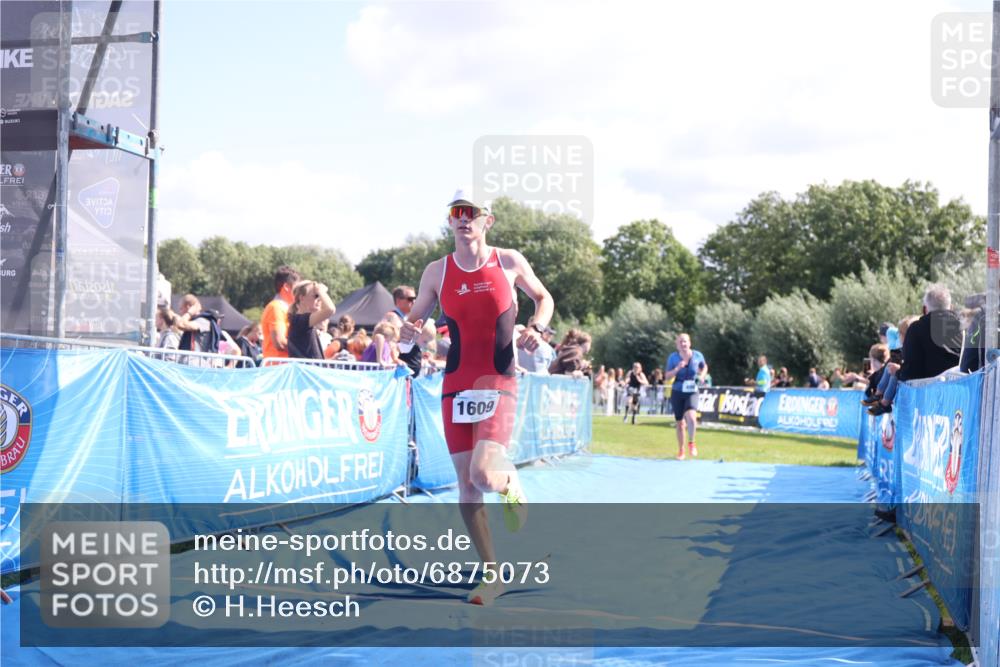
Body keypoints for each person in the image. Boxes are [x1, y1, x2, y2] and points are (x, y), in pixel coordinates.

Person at [399, 189, 553, 606]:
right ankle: (492, 575)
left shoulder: (508, 261)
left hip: (498, 378)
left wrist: (537, 328)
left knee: (486, 476)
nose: (464, 220)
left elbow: (543, 298)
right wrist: (407, 332)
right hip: (456, 383)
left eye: (472, 213)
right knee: (467, 488)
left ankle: (511, 482)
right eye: (456, 213)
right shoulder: (436, 271)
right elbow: (415, 322)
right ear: (449, 221)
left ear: (489, 220)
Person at [664, 333, 707, 460]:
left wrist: (702, 376)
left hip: (692, 391)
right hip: (677, 391)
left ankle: (691, 443)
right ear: (677, 345)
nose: (683, 344)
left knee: (692, 418)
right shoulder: (673, 358)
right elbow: (667, 376)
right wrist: (677, 368)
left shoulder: (698, 355)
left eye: (685, 341)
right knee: (680, 423)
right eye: (680, 342)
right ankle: (681, 450)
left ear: (690, 343)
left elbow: (704, 367)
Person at [287, 280, 336, 360]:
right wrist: (321, 291)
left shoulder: (301, 320)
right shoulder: (299, 321)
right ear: (302, 298)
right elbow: (330, 309)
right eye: (316, 296)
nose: (319, 299)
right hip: (305, 371)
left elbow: (326, 310)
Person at [261, 266, 301, 359]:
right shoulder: (276, 307)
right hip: (278, 369)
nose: (300, 292)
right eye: (298, 287)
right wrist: (304, 349)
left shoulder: (287, 308)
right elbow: (280, 342)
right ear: (286, 286)